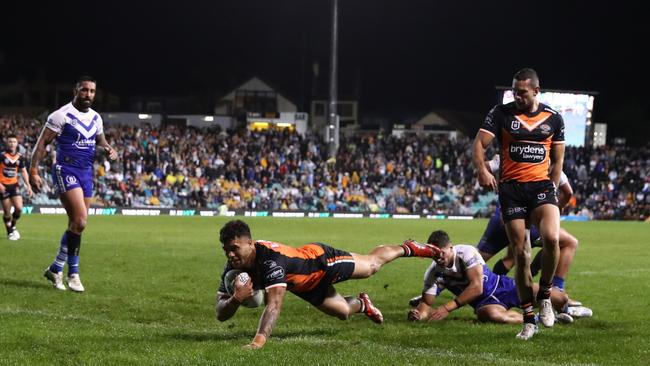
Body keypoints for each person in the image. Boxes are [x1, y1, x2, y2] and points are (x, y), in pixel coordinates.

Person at [215, 219, 440, 349]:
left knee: (371, 266)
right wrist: (235, 298)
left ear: (250, 243)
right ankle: (362, 303)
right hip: (304, 285)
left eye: (235, 248)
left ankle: (407, 248)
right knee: (343, 312)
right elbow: (220, 313)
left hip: (321, 262)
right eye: (226, 250)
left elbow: (274, 306)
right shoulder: (232, 268)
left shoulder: (270, 259)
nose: (231, 254)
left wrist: (258, 342)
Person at [472, 68, 565, 340]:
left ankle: (545, 295)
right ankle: (528, 319)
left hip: (541, 189)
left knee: (551, 238)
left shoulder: (554, 119)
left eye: (522, 92)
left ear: (536, 91)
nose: (518, 96)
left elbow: (557, 161)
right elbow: (479, 143)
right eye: (515, 92)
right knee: (522, 255)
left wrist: (553, 187)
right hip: (511, 191)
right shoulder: (501, 114)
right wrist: (482, 170)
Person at [29, 76, 118, 292]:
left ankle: (55, 267)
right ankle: (73, 274)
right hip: (65, 169)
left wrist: (109, 148)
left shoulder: (96, 118)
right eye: (84, 90)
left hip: (86, 172)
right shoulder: (61, 115)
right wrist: (33, 170)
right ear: (75, 90)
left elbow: (100, 140)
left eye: (92, 91)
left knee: (77, 224)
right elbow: (42, 143)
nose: (88, 95)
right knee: (80, 220)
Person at [406, 230, 571, 326]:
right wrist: (418, 315)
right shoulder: (434, 272)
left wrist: (447, 308)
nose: (438, 256)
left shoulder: (465, 252)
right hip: (485, 304)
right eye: (434, 253)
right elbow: (426, 303)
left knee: (559, 297)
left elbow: (477, 287)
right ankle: (541, 319)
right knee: (493, 316)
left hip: (502, 287)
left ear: (450, 247)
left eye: (441, 251)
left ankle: (567, 310)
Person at [1, 134, 33, 240]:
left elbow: (23, 171)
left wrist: (28, 186)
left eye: (14, 142)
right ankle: (9, 232)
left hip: (14, 185)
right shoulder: (2, 156)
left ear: (17, 143)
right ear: (7, 143)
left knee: (19, 208)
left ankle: (13, 226)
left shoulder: (20, 157)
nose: (12, 144)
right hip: (3, 186)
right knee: (7, 211)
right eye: (10, 142)